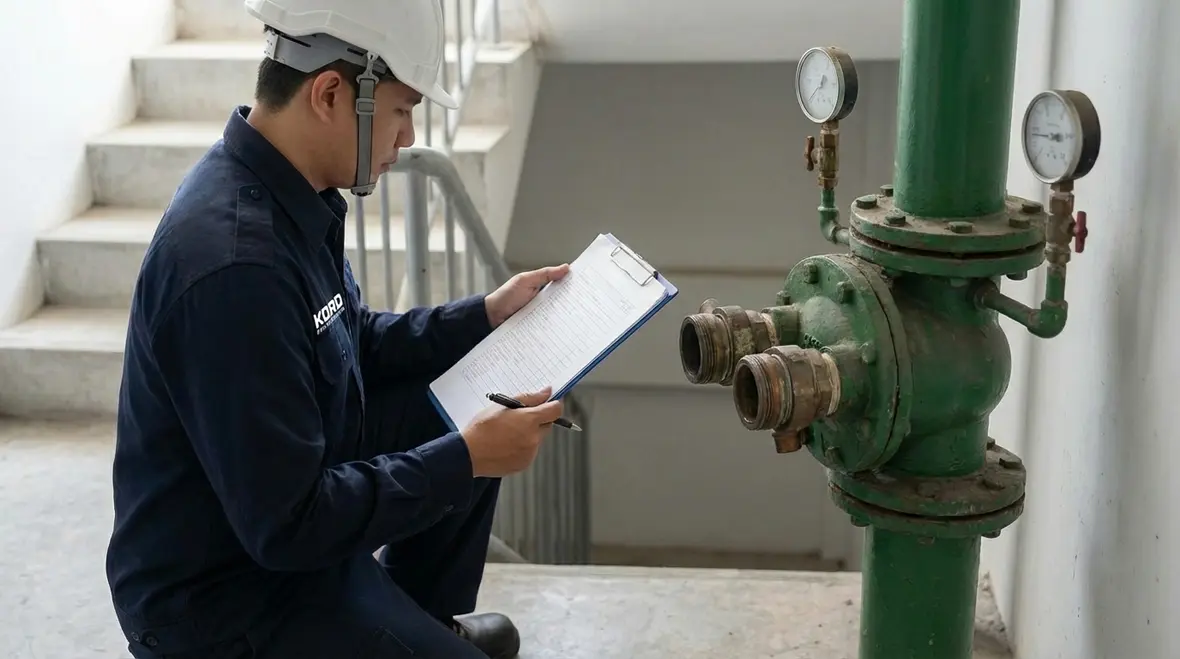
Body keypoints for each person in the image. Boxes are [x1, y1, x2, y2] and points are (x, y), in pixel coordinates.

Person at [103, 1, 568, 657]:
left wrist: (485, 314)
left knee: (464, 403)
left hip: (280, 521)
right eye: (403, 111)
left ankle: (415, 620)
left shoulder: (294, 193)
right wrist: (466, 457)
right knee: (461, 444)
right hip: (224, 602)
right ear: (330, 92)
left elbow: (357, 341)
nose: (406, 138)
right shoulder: (235, 265)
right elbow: (289, 525)